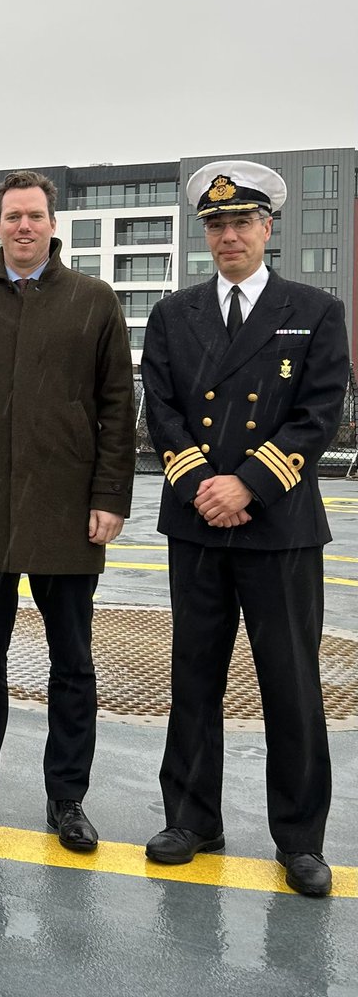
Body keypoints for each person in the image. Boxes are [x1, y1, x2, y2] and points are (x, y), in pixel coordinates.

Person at [140, 160, 350, 897]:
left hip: (279, 526)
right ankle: (192, 819)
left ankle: (299, 838)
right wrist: (204, 486)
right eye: (217, 225)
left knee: (290, 683)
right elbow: (160, 411)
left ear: (268, 229)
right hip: (198, 523)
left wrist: (248, 485)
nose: (229, 235)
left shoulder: (315, 310)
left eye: (242, 223)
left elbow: (318, 412)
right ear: (207, 235)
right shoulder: (174, 316)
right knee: (193, 675)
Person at [0, 170, 135, 849]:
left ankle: (67, 799)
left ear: (52, 224)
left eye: (34, 216)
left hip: (70, 511)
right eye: (12, 216)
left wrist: (109, 498)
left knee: (72, 662)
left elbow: (115, 409)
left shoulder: (94, 301)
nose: (23, 226)